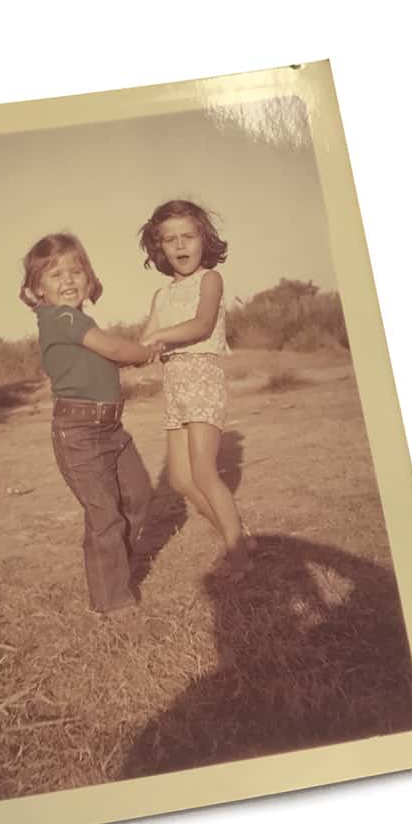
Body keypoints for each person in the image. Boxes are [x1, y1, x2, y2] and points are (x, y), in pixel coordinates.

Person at [21, 233, 161, 614]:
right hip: (79, 433)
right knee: (104, 514)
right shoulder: (59, 317)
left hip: (111, 429)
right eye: (54, 275)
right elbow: (115, 349)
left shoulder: (80, 320)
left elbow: (111, 355)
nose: (68, 280)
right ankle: (111, 602)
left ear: (89, 277)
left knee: (139, 495)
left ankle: (115, 569)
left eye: (76, 270)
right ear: (37, 288)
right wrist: (146, 353)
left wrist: (138, 350)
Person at [138, 200, 252, 577]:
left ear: (204, 239)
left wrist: (159, 337)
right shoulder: (161, 295)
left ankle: (238, 557)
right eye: (170, 240)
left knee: (204, 473)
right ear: (159, 247)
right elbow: (144, 346)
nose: (180, 246)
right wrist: (107, 352)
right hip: (175, 386)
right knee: (180, 479)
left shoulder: (210, 280)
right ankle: (238, 535)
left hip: (202, 378)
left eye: (188, 236)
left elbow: (201, 325)